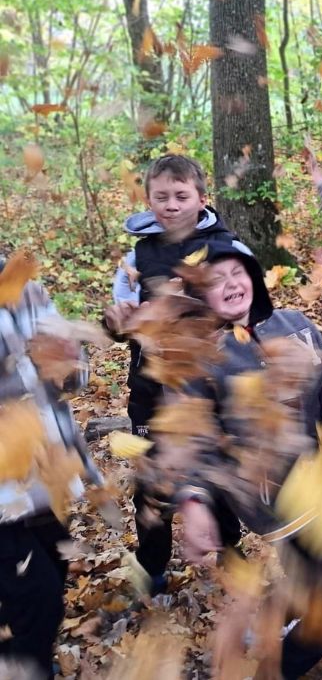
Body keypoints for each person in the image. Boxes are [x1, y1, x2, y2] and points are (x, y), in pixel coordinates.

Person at [167, 238, 322, 679]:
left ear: (255, 275)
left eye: (237, 271)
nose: (231, 283)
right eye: (216, 280)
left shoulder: (293, 325)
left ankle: (279, 622)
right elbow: (191, 438)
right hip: (280, 505)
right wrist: (195, 500)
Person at [103, 154, 241, 595]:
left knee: (217, 470)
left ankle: (231, 551)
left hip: (207, 386)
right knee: (151, 479)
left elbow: (246, 307)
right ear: (149, 199)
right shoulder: (137, 256)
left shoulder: (228, 247)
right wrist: (117, 321)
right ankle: (152, 568)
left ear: (202, 198)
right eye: (161, 196)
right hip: (151, 386)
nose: (172, 205)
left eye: (182, 196)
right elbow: (122, 323)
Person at [0, 267, 101, 679]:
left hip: (44, 478)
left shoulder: (25, 289)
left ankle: (19, 649)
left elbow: (73, 379)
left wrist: (69, 358)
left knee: (51, 568)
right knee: (38, 593)